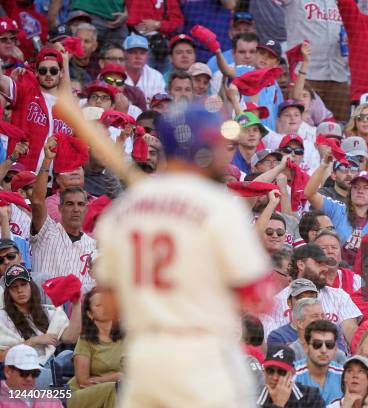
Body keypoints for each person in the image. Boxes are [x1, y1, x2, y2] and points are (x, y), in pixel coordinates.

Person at [94, 103, 273, 406]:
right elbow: (257, 297)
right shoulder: (220, 206)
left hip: (145, 360)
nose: (222, 151)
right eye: (217, 144)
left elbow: (110, 308)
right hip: (204, 358)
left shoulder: (121, 211)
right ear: (201, 150)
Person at [30, 138, 96, 289]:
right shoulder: (46, 231)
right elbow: (37, 201)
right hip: (45, 309)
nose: (75, 209)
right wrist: (47, 160)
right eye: (69, 204)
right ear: (59, 208)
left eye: (80, 204)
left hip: (76, 311)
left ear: (86, 209)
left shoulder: (92, 245)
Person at [0, 264, 81, 389]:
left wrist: (76, 303)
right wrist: (34, 341)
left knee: (68, 355)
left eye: (23, 285)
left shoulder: (49, 312)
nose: (20, 290)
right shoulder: (2, 318)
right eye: (14, 287)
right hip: (21, 371)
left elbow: (71, 337)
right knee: (47, 376)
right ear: (8, 293)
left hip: (51, 365)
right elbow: (2, 356)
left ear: (31, 286)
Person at [262, 244, 362, 344]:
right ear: (301, 264)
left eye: (325, 263)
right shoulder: (275, 303)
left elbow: (351, 334)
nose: (325, 269)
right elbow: (271, 345)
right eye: (319, 263)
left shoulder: (340, 297)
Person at [0, 47, 72, 172]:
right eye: (43, 70)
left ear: (61, 73)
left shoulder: (68, 110)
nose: (48, 74)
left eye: (53, 71)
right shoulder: (25, 93)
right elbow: (2, 81)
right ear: (36, 73)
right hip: (20, 178)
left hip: (54, 182)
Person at [305, 154, 368, 266]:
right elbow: (309, 193)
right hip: (334, 269)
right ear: (350, 192)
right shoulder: (337, 209)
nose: (360, 191)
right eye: (356, 187)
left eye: (366, 188)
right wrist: (324, 165)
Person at [67, 288, 124, 408]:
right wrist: (115, 377)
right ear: (90, 314)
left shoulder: (127, 336)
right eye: (99, 305)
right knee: (114, 390)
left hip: (121, 389)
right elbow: (83, 382)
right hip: (82, 393)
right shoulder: (85, 340)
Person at [256, 344, 325, 407]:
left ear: (292, 373)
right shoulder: (253, 397)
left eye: (281, 372)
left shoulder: (311, 396)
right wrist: (278, 404)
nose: (275, 377)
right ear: (264, 371)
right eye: (270, 371)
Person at [294, 320, 344, 405]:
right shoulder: (292, 375)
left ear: (335, 348)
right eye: (317, 344)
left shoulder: (344, 376)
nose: (323, 350)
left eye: (329, 345)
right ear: (306, 347)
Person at [122, 34, 165, 104]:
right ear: (124, 54)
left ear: (147, 55)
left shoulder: (156, 77)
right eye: (133, 53)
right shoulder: (113, 74)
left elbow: (160, 105)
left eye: (142, 53)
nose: (138, 57)